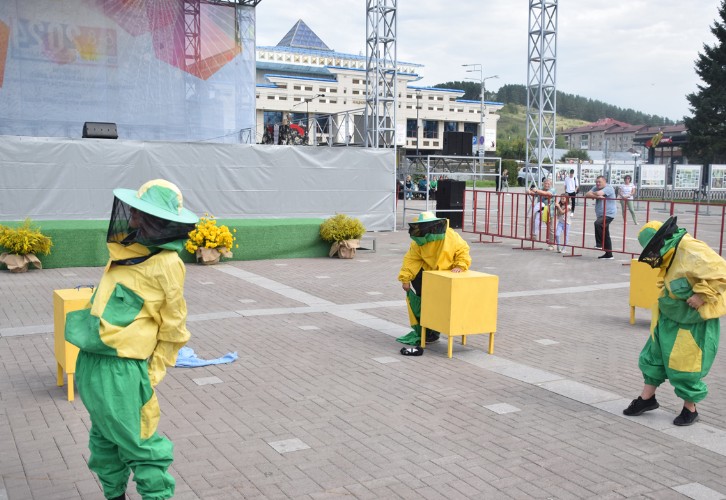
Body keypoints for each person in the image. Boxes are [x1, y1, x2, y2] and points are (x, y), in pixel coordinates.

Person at [65, 179, 198, 500]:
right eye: (135, 212)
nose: (134, 219)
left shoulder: (167, 263)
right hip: (92, 362)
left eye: (142, 215)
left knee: (140, 444)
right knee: (104, 441)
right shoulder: (127, 252)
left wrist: (152, 373)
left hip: (122, 371)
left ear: (160, 222)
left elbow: (174, 326)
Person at [623, 217, 726, 426]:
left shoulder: (689, 249)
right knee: (653, 357)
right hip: (669, 316)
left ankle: (691, 409)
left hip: (691, 322)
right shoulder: (672, 252)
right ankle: (647, 399)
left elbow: (722, 272)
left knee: (686, 365)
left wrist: (702, 295)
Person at [396, 211, 472, 346]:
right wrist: (405, 279)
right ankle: (427, 332)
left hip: (446, 277)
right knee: (425, 303)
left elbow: (462, 251)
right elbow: (411, 260)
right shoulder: (418, 242)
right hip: (426, 275)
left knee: (442, 305)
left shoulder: (451, 237)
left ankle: (435, 331)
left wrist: (460, 266)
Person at [585, 175, 617, 259]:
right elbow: (587, 194)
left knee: (598, 224)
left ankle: (599, 244)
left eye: (599, 182)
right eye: (596, 182)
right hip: (600, 214)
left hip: (609, 214)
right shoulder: (595, 187)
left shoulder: (609, 188)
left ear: (604, 182)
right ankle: (609, 254)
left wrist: (595, 194)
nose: (597, 184)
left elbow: (599, 193)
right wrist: (597, 196)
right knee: (606, 233)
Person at [529, 178, 557, 250]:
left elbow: (548, 194)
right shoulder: (541, 189)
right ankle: (533, 235)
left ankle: (552, 244)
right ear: (543, 183)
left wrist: (537, 191)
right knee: (533, 220)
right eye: (545, 183)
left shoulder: (552, 189)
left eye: (548, 184)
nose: (547, 185)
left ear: (550, 184)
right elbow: (534, 194)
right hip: (540, 210)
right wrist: (529, 191)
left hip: (549, 211)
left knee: (550, 228)